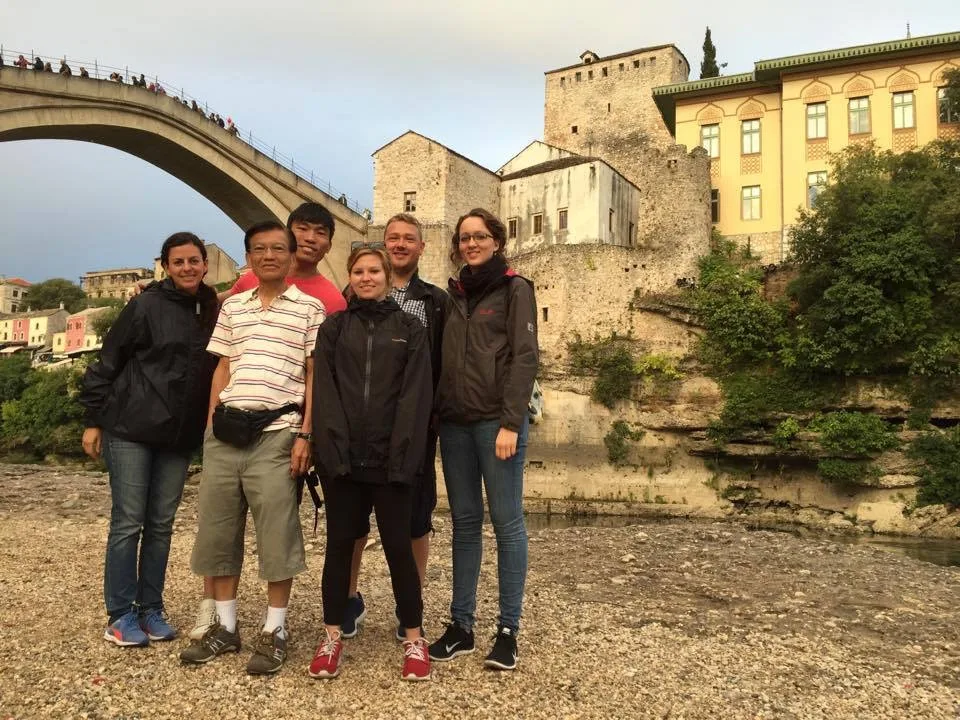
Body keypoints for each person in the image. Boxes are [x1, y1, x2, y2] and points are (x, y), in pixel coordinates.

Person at [182, 202, 348, 641]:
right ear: (250, 258)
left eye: (279, 248)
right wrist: (211, 421)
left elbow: (316, 374)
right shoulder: (235, 306)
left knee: (277, 531)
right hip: (226, 430)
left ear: (291, 255)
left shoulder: (315, 306)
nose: (269, 255)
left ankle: (275, 629)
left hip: (279, 431)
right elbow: (222, 366)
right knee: (218, 529)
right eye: (260, 249)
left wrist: (306, 435)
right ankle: (225, 624)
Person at [79, 233, 219, 647]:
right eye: (179, 262)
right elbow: (109, 360)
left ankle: (151, 608)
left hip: (178, 434)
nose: (188, 268)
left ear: (205, 264)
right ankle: (120, 614)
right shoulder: (144, 305)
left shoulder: (212, 308)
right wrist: (93, 419)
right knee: (128, 522)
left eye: (194, 260)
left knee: (161, 524)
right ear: (165, 265)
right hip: (131, 427)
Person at [307, 246, 433, 681]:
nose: (366, 277)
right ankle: (331, 636)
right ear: (350, 275)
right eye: (358, 270)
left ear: (386, 274)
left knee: (400, 549)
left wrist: (404, 458)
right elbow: (326, 392)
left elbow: (415, 397)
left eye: (374, 270)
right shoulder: (334, 329)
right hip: (343, 462)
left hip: (391, 462)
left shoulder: (410, 329)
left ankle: (414, 638)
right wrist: (331, 453)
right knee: (339, 547)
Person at [428, 208, 538, 671]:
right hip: (455, 424)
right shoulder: (453, 296)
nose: (471, 244)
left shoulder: (515, 288)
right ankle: (461, 626)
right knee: (465, 523)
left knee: (508, 524)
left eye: (480, 236)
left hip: (497, 422)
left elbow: (525, 357)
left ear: (496, 240)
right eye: (464, 238)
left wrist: (512, 423)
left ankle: (508, 630)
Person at [341, 213, 447, 642]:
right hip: (357, 429)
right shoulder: (353, 296)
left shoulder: (434, 301)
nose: (401, 244)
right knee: (352, 522)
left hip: (414, 430)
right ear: (383, 247)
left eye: (409, 239)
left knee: (416, 520)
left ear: (422, 247)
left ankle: (411, 607)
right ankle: (347, 599)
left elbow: (442, 363)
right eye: (393, 238)